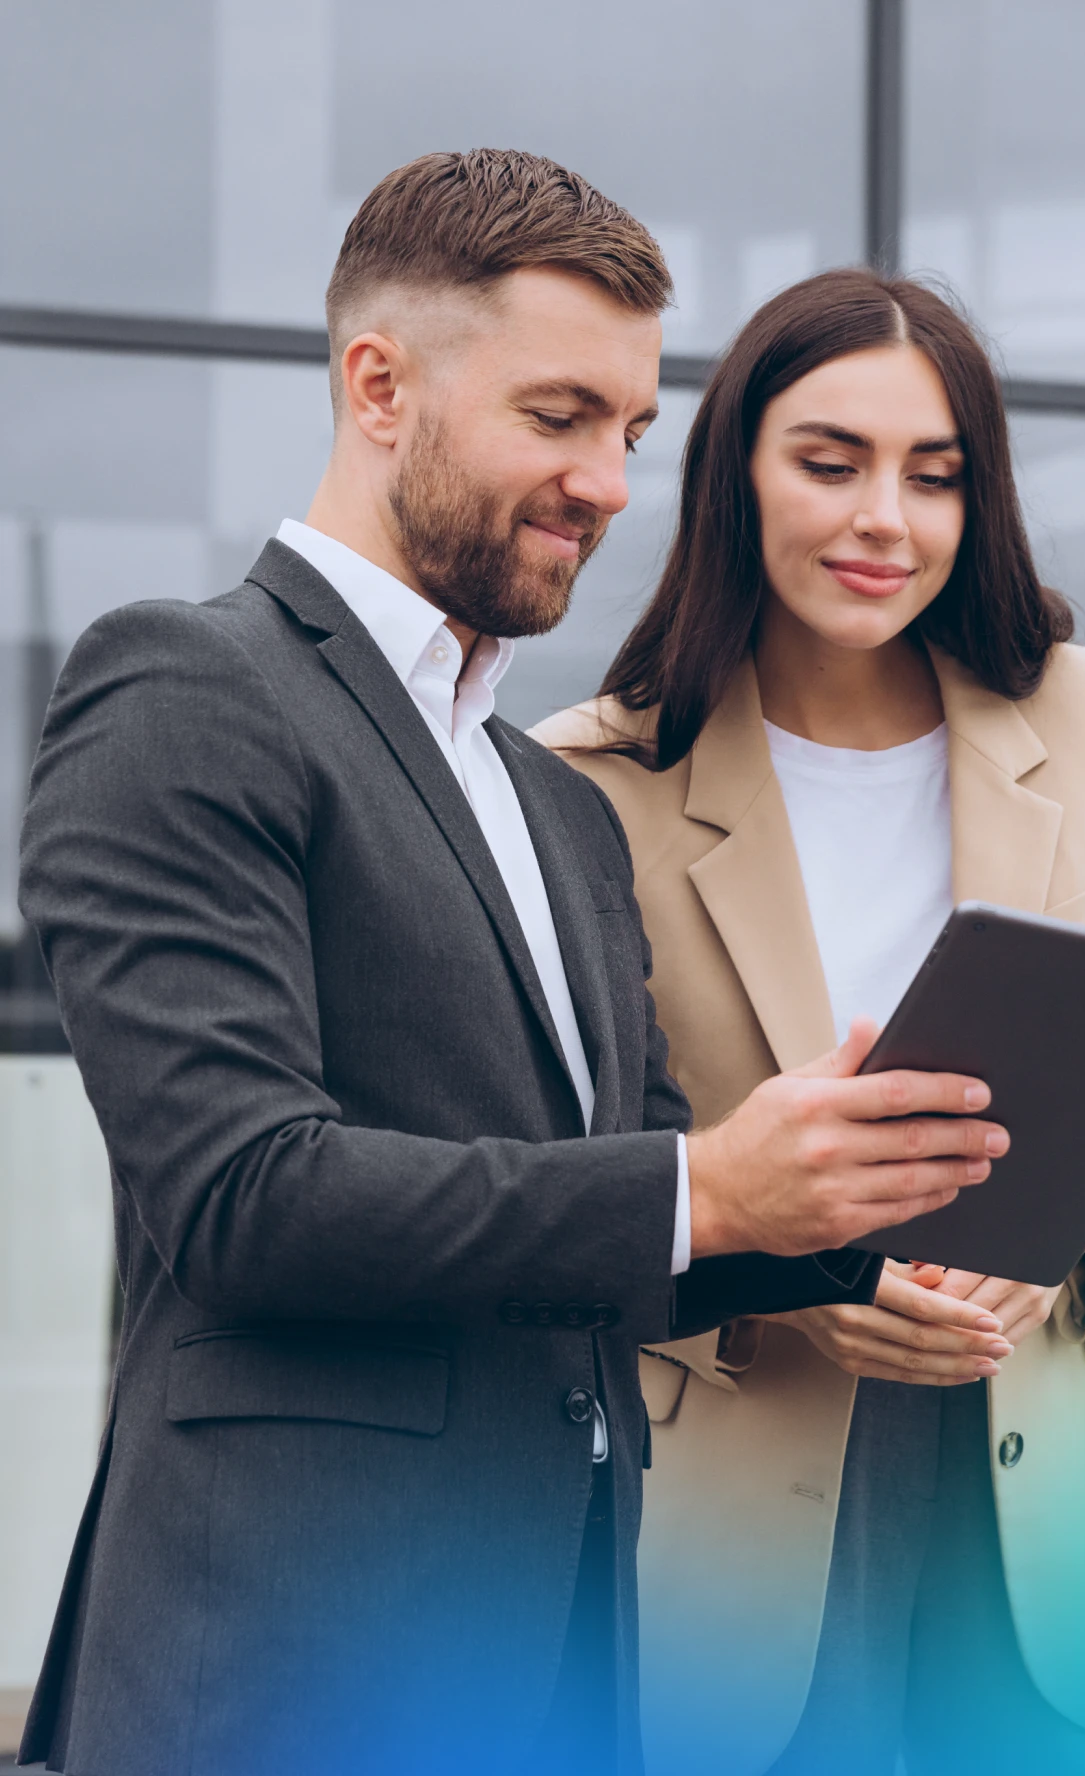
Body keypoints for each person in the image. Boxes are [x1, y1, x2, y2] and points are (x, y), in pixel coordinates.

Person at [16, 157, 1010, 1776]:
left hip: (558, 1664)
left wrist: (850, 1210)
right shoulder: (183, 690)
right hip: (287, 1668)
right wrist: (706, 1187)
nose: (609, 484)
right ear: (380, 386)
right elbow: (246, 1196)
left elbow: (627, 1222)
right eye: (558, 417)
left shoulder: (557, 802)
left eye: (629, 433)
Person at [534, 268, 1085, 1776]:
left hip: (1056, 1474)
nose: (886, 520)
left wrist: (1047, 1264)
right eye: (830, 462)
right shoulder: (589, 777)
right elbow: (575, 1165)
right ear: (733, 473)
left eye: (936, 477)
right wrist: (790, 1282)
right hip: (747, 1470)